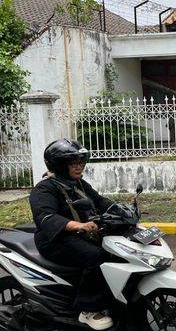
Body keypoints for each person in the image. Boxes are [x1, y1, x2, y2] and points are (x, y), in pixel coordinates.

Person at [28, 139, 116, 330]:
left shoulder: (78, 183)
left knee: (115, 251)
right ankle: (88, 310)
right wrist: (77, 225)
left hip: (80, 234)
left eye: (80, 162)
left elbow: (99, 201)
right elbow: (45, 217)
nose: (79, 167)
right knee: (96, 256)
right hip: (55, 240)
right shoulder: (44, 188)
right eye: (73, 163)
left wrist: (121, 211)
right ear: (59, 165)